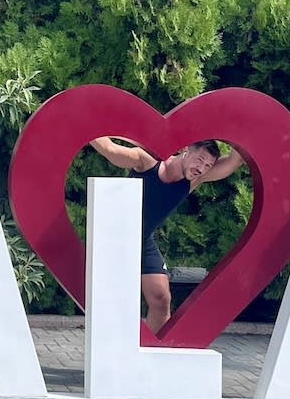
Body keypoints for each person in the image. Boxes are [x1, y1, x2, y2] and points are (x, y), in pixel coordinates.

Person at [87, 135, 244, 330]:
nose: (201, 169)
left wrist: (240, 125)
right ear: (186, 150)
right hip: (113, 239)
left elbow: (233, 160)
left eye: (208, 166)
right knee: (112, 301)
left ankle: (149, 353)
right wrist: (81, 122)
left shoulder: (195, 180)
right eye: (199, 160)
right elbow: (110, 149)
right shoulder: (146, 162)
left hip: (143, 241)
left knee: (161, 299)